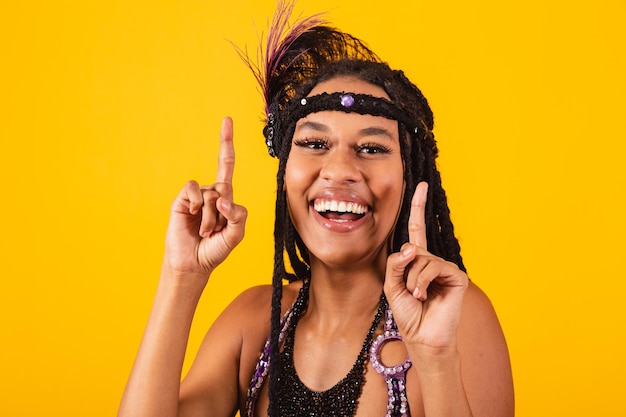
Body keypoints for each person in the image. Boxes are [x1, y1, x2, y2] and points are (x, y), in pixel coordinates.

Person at [118, 1, 514, 416]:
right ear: (285, 171)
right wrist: (181, 276)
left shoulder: (455, 319)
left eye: (372, 148)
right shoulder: (252, 324)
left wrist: (436, 363)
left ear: (410, 177)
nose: (340, 169)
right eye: (314, 144)